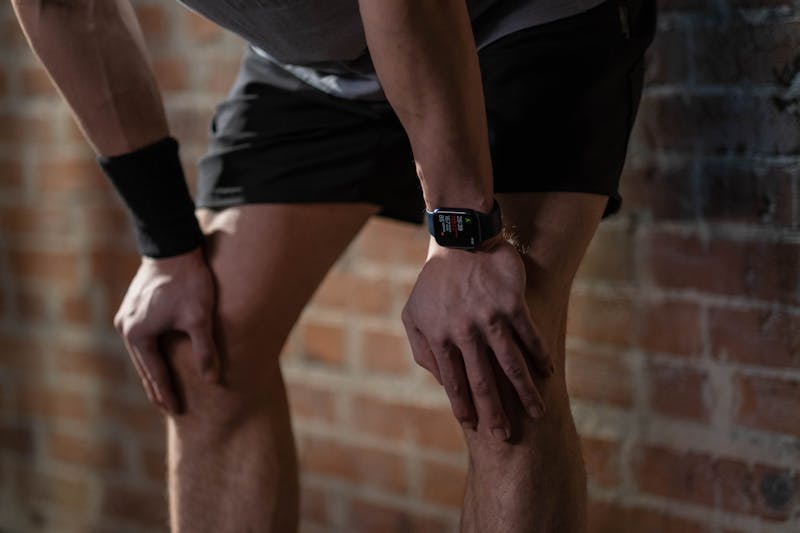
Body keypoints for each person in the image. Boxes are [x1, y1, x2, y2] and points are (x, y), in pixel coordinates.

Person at [12, 0, 656, 531]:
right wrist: (168, 246)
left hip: (517, 19)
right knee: (201, 341)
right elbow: (59, 7)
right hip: (320, 68)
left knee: (496, 362)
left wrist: (464, 240)